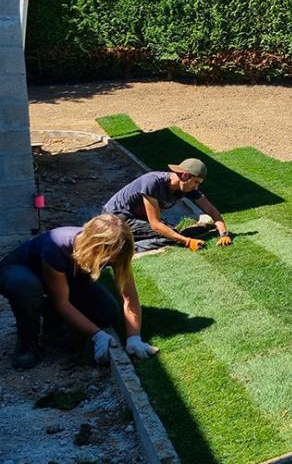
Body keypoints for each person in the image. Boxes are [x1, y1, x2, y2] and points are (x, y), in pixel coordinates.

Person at [0, 214, 158, 370]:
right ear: (93, 247)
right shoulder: (57, 246)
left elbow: (129, 296)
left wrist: (134, 337)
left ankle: (51, 317)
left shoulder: (118, 250)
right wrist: (97, 335)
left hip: (64, 276)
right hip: (19, 271)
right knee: (27, 287)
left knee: (107, 312)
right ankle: (27, 344)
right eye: (107, 259)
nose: (110, 262)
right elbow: (62, 303)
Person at [103, 158, 233, 253]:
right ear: (185, 175)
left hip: (137, 217)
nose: (196, 187)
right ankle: (123, 248)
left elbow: (210, 209)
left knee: (171, 233)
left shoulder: (186, 187)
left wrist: (224, 233)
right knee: (169, 237)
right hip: (114, 220)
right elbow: (155, 224)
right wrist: (187, 242)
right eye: (195, 182)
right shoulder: (152, 183)